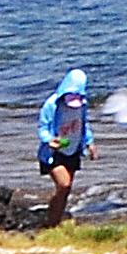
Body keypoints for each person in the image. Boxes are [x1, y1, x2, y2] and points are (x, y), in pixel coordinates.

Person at [36, 67, 95, 222]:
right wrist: (49, 140)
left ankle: (54, 221)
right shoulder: (51, 105)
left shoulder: (82, 104)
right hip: (53, 153)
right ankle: (51, 219)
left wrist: (89, 143)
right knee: (64, 184)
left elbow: (84, 124)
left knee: (65, 190)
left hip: (73, 150)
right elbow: (42, 128)